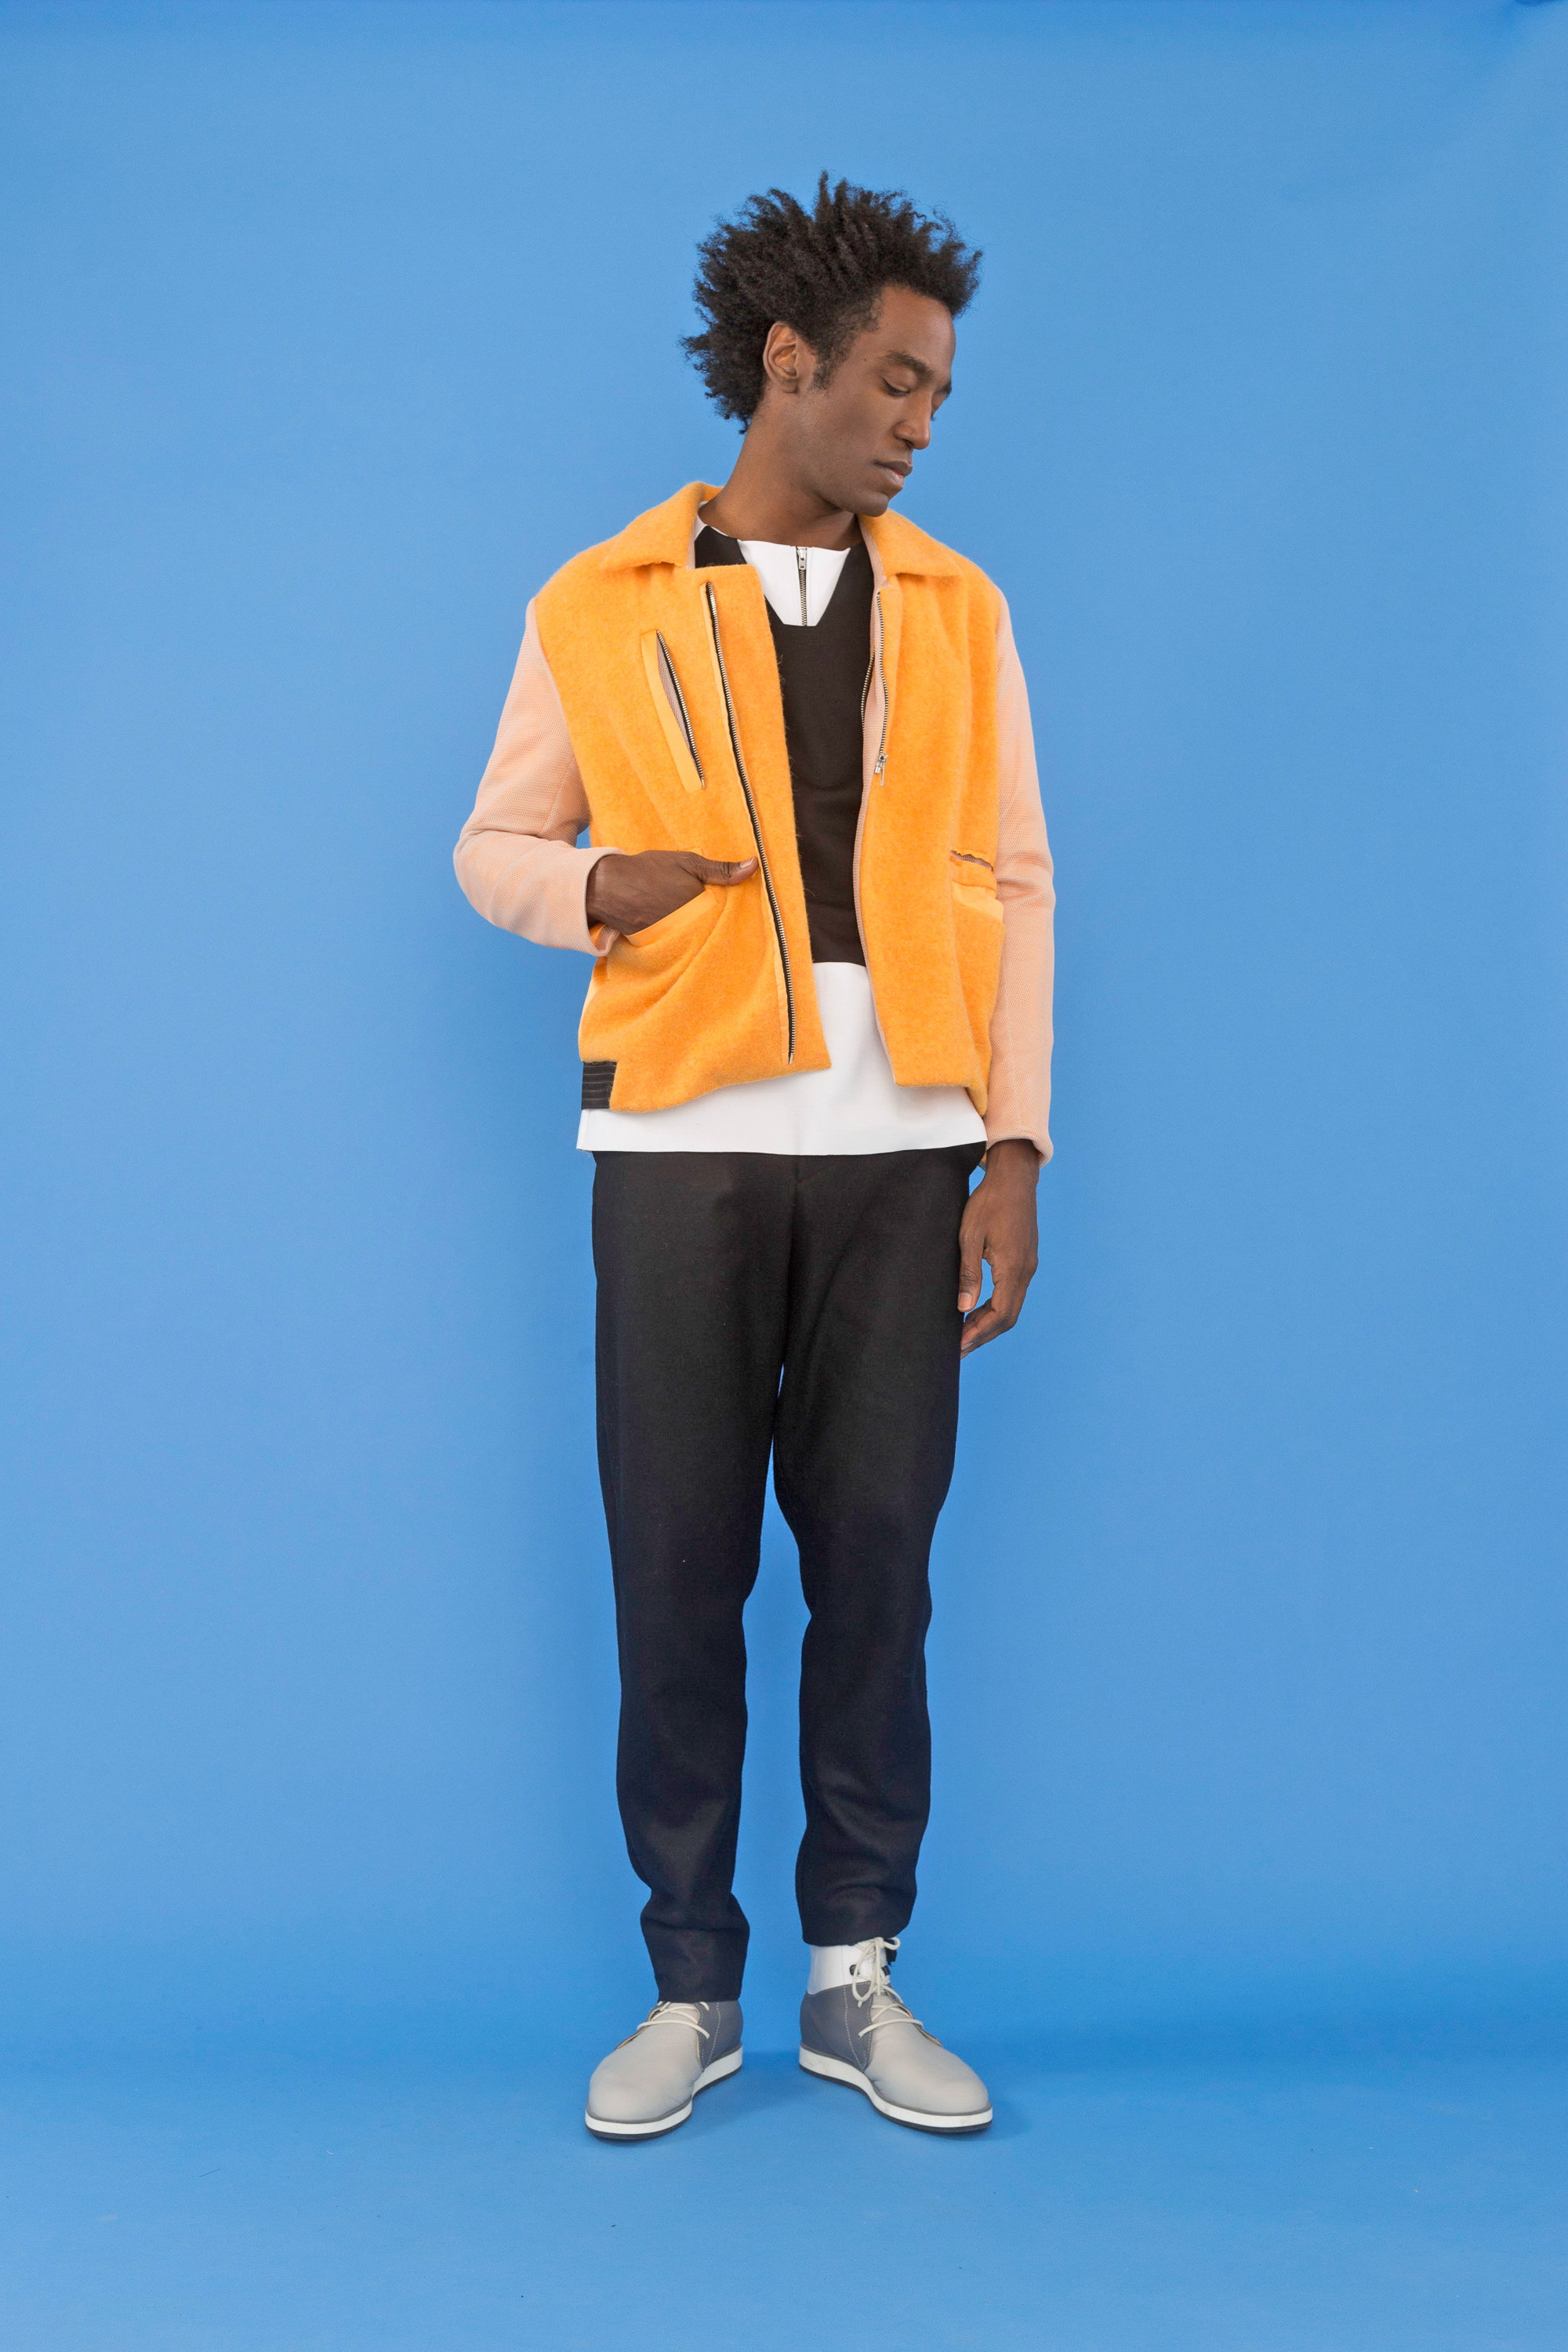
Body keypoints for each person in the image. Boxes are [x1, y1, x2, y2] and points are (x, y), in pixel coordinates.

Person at [454, 176, 1054, 2140]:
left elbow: (1015, 879)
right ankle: (688, 1990)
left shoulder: (957, 609)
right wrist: (591, 889)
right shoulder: (597, 602)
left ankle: (850, 1979)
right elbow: (492, 844)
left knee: (878, 1566)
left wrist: (1012, 1146)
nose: (919, 423)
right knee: (675, 1565)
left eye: (938, 394)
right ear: (788, 362)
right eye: (895, 382)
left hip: (903, 1146)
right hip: (680, 1138)